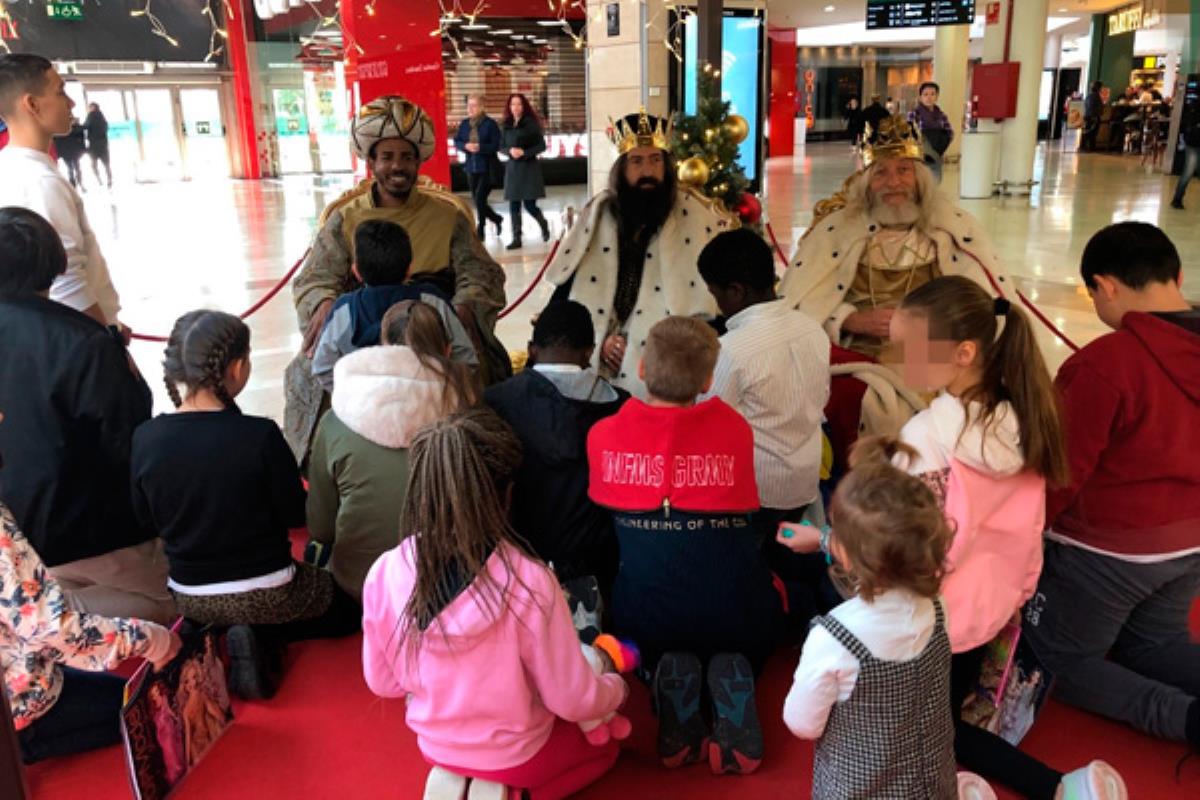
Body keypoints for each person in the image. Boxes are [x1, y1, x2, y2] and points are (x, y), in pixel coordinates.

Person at [875, 276, 1124, 800]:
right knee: (949, 707)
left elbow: (918, 547)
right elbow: (1032, 518)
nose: (896, 356)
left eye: (908, 346)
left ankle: (1057, 787)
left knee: (921, 726)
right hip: (993, 602)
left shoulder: (926, 438)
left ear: (963, 352)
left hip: (933, 616)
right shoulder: (1023, 418)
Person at [362, 408, 629, 800]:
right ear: (506, 495)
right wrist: (614, 688)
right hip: (517, 752)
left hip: (435, 746)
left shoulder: (384, 572)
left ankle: (464, 782)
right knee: (606, 749)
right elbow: (569, 698)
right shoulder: (529, 580)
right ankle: (516, 792)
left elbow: (382, 682)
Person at [1023, 223, 1200, 750]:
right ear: (1178, 275)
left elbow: (1060, 473)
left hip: (1111, 550)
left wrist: (1024, 541)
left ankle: (1185, 721)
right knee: (1156, 642)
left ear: (1105, 286)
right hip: (1191, 542)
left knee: (1060, 659)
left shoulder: (1106, 365)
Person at [131, 310, 361, 700]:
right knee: (348, 611)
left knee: (220, 607)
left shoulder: (145, 438)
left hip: (190, 594)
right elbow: (294, 516)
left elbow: (145, 520)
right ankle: (263, 635)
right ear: (237, 368)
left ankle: (216, 631)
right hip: (272, 589)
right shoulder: (259, 435)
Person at [587, 316, 780, 775]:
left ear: (640, 366)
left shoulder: (604, 436)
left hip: (647, 617)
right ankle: (736, 671)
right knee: (771, 596)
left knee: (631, 624)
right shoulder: (735, 431)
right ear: (710, 380)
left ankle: (660, 672)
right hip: (733, 613)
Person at [288, 94, 507, 461]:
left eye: (406, 157)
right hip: (361, 326)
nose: (398, 166)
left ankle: (469, 460)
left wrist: (466, 306)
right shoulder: (346, 217)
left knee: (482, 369)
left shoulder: (446, 216)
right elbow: (316, 275)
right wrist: (324, 303)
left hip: (433, 328)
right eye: (387, 157)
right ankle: (324, 461)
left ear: (418, 161)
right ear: (371, 161)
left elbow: (480, 272)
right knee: (305, 371)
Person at [783, 438, 988, 799]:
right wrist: (826, 541)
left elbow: (802, 724)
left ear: (846, 552)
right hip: (931, 784)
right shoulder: (937, 607)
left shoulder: (834, 637)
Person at [0, 206, 172, 623]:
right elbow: (133, 446)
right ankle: (59, 617)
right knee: (172, 604)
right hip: (89, 537)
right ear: (53, 264)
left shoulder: (84, 341)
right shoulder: (85, 343)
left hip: (10, 542)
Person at [781, 114, 1007, 359]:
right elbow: (799, 305)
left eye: (903, 170)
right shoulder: (836, 229)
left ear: (920, 179)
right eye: (880, 173)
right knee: (863, 394)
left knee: (919, 390)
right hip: (854, 352)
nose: (893, 182)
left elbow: (982, 306)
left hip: (929, 353)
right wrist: (849, 319)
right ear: (866, 182)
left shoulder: (955, 229)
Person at [545, 109, 733, 397]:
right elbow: (569, 297)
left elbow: (709, 312)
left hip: (669, 358)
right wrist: (599, 340)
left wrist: (652, 348)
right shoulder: (600, 216)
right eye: (637, 161)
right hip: (598, 353)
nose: (647, 171)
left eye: (655, 160)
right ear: (622, 168)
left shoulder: (694, 218)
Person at [307, 300, 476, 601]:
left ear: (384, 346)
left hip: (360, 585)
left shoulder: (338, 417)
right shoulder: (470, 414)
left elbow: (321, 527)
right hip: (450, 587)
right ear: (448, 350)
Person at [2, 498, 181, 764]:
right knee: (156, 710)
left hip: (20, 673)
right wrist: (153, 641)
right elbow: (47, 628)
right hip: (19, 704)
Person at [696, 229, 829, 561]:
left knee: (747, 570)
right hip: (803, 485)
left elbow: (707, 426)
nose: (717, 305)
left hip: (758, 495)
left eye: (716, 294)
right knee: (785, 567)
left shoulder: (731, 349)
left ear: (736, 291)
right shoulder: (813, 330)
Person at [485, 300, 628, 591]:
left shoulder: (496, 402)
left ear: (531, 349)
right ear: (589, 352)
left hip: (518, 570)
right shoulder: (623, 408)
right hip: (599, 571)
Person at [0, 54, 124, 329]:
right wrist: (106, 340)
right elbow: (67, 283)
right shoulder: (40, 182)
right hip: (79, 337)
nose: (70, 102)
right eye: (60, 92)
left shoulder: (12, 166)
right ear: (32, 104)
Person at [309, 218, 475, 392]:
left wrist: (353, 397)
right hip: (430, 406)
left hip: (365, 411)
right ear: (409, 269)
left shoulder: (344, 309)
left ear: (356, 271)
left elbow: (322, 367)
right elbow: (466, 358)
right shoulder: (432, 300)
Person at [501, 93, 551, 250]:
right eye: (513, 104)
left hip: (528, 168)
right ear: (509, 107)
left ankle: (543, 223)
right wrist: (509, 151)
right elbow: (500, 145)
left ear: (524, 106)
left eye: (519, 104)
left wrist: (524, 152)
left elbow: (541, 146)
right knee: (513, 204)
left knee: (529, 205)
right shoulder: (505, 124)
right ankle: (516, 238)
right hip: (513, 169)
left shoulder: (531, 124)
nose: (516, 107)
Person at [454, 93, 504, 239]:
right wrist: (465, 146)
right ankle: (496, 218)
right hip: (471, 166)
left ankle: (480, 227)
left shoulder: (490, 124)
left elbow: (496, 145)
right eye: (468, 105)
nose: (470, 108)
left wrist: (480, 147)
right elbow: (457, 142)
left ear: (482, 107)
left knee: (480, 198)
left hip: (487, 167)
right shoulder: (464, 124)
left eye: (474, 105)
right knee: (476, 199)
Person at [908, 81, 954, 182]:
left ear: (937, 96)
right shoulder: (915, 114)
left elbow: (950, 133)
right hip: (920, 158)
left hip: (937, 156)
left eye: (932, 94)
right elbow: (909, 134)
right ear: (920, 97)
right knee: (920, 184)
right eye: (925, 94)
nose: (929, 97)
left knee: (935, 183)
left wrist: (941, 145)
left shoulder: (941, 115)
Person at [1170, 101, 1200, 210]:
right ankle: (1177, 199)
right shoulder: (1195, 108)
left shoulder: (1193, 106)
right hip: (1194, 143)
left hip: (1193, 142)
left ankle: (1177, 199)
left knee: (1188, 171)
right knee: (1188, 172)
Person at [52, 118, 86, 191]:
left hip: (71, 152)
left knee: (74, 168)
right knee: (72, 168)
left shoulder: (73, 128)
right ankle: (75, 184)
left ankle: (78, 184)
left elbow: (81, 138)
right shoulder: (67, 129)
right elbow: (55, 140)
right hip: (69, 152)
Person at [84, 101, 112, 187]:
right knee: (106, 164)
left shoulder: (90, 116)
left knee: (93, 165)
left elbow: (85, 126)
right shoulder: (102, 116)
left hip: (93, 145)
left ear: (93, 107)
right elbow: (106, 127)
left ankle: (99, 180)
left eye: (89, 107)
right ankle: (109, 180)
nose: (88, 109)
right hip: (103, 144)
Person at [1082, 81, 1103, 152]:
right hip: (1093, 116)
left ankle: (1088, 147)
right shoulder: (1095, 96)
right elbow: (1094, 107)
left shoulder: (1089, 95)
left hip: (1088, 116)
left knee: (1089, 132)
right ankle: (1089, 147)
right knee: (1092, 132)